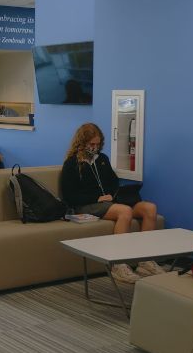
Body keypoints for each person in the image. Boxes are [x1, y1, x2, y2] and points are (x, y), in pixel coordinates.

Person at [60, 122, 160, 284]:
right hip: (87, 205)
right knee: (125, 212)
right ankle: (118, 265)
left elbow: (114, 183)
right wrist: (97, 198)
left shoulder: (102, 160)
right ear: (82, 143)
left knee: (149, 208)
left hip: (110, 202)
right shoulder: (72, 164)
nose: (95, 147)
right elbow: (70, 196)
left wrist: (116, 194)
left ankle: (145, 261)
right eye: (91, 144)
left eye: (98, 144)